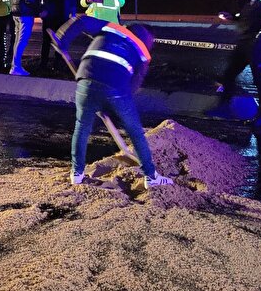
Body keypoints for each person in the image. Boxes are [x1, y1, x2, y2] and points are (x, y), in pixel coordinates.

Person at [52, 15, 173, 189]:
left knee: (82, 126)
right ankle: (150, 176)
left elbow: (82, 20)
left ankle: (76, 174)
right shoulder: (143, 53)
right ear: (148, 40)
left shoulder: (110, 28)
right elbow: (133, 86)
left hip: (85, 80)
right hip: (115, 87)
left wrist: (63, 41)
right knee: (135, 131)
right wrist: (112, 104)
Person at [207, 0, 261, 126]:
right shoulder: (246, 0)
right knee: (229, 74)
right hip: (243, 45)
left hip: (256, 47)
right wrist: (233, 17)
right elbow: (245, 17)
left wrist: (258, 41)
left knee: (259, 79)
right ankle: (223, 107)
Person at [38, 0, 77, 70]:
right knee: (46, 41)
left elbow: (73, 0)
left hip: (62, 17)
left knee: (60, 41)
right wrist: (40, 11)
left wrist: (73, 15)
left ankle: (57, 64)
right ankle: (43, 64)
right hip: (48, 17)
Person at [9, 0, 41, 76]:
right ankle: (16, 67)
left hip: (15, 12)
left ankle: (14, 65)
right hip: (25, 13)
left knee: (18, 40)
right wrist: (38, 10)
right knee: (22, 40)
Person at [3, 0, 18, 65]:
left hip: (12, 11)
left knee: (13, 33)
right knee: (2, 32)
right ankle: (1, 49)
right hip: (3, 12)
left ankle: (10, 52)